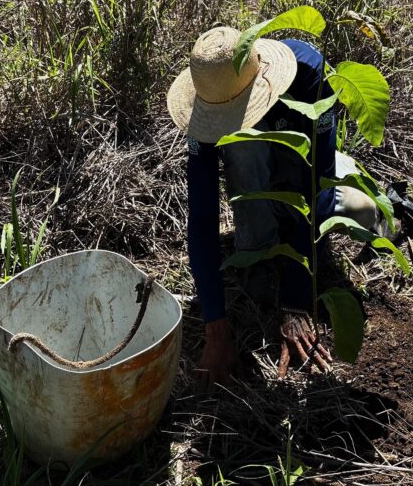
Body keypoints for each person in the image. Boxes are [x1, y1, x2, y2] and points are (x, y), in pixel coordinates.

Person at [166, 26, 399, 388]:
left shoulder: (308, 74)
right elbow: (202, 216)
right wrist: (215, 328)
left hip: (305, 174)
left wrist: (296, 298)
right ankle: (258, 250)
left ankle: (316, 236)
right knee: (244, 145)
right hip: (254, 185)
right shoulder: (210, 101)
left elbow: (317, 186)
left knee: (368, 211)